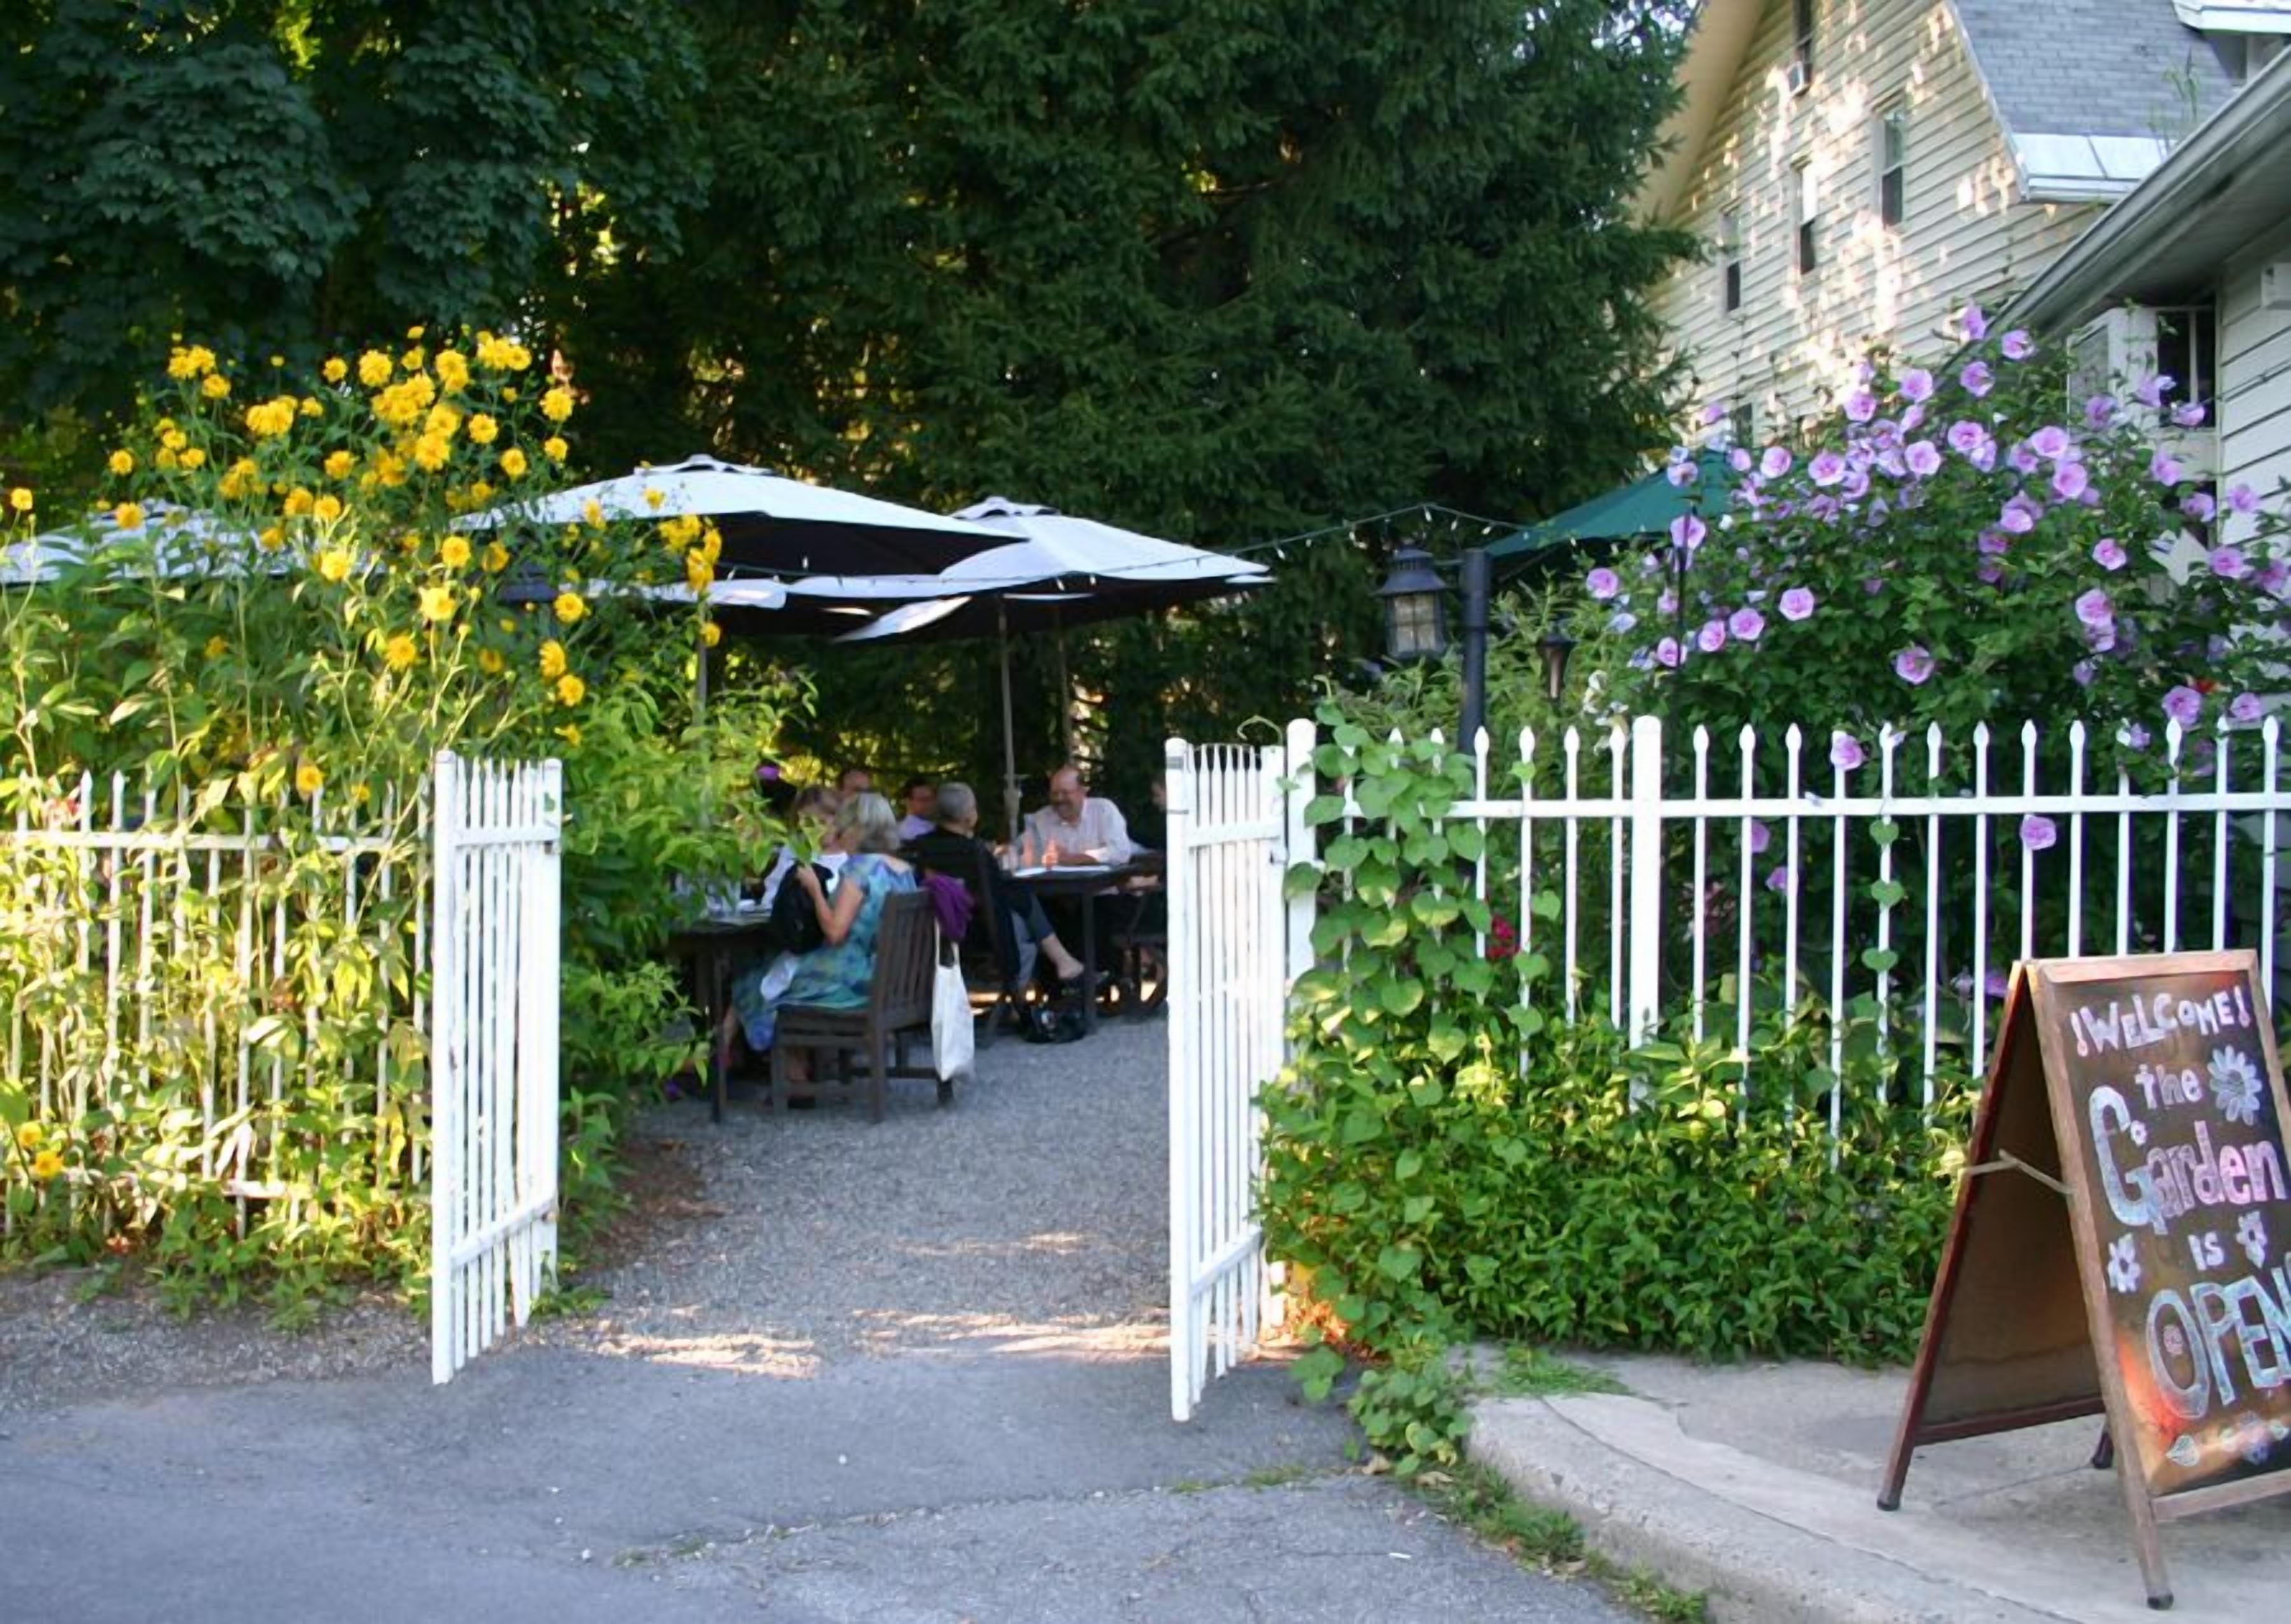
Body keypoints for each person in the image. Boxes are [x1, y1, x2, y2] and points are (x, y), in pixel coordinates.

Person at [722, 793, 915, 1081]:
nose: (838, 835)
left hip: (851, 983)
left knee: (753, 981)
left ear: (858, 830)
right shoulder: (902, 870)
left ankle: (788, 1072)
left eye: (842, 828)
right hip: (891, 981)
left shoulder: (860, 870)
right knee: (777, 973)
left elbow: (835, 933)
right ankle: (790, 1066)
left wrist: (814, 890)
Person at [907, 781, 1086, 990]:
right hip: (972, 931)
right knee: (1020, 902)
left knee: (1019, 903)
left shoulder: (921, 846)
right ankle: (1054, 967)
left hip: (930, 928)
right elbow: (997, 894)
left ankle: (1060, 963)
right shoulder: (974, 854)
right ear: (969, 816)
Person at [1023, 764, 1132, 867]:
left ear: (1082, 792)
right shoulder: (1041, 819)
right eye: (1054, 793)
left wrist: (1074, 858)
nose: (1059, 799)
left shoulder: (1103, 810)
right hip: (1059, 885)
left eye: (1065, 793)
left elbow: (1121, 852)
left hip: (1101, 885)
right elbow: (1026, 858)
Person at [895, 776, 938, 841]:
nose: (929, 803)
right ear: (908, 802)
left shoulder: (934, 825)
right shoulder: (910, 832)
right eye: (923, 800)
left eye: (932, 798)